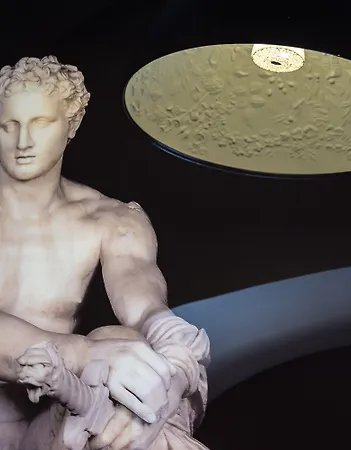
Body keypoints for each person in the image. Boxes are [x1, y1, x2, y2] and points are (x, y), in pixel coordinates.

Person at [0, 55, 210, 449]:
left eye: (40, 123)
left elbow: (146, 309)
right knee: (109, 353)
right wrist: (85, 355)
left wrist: (172, 365)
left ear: (71, 124)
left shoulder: (112, 220)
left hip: (46, 429)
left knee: (128, 346)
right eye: (7, 126)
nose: (22, 141)